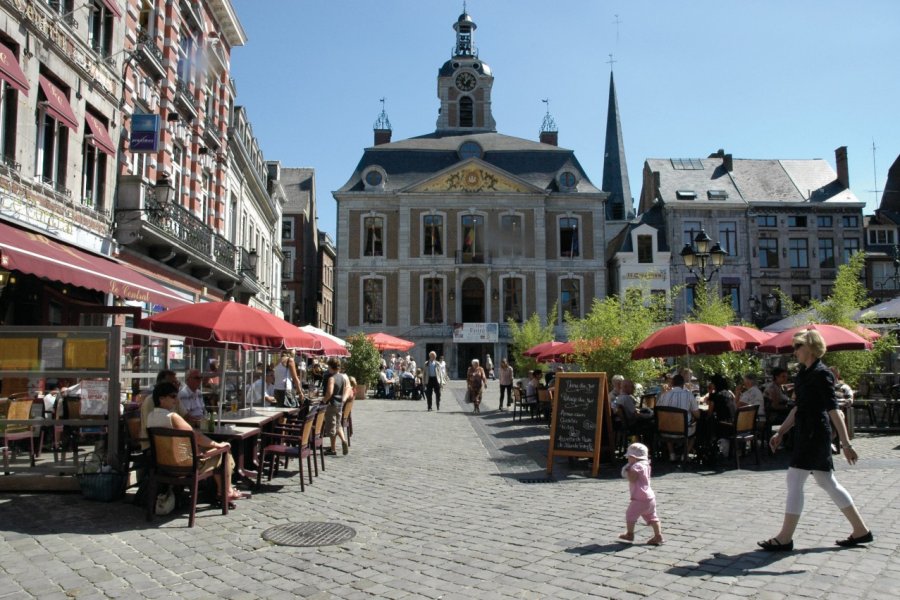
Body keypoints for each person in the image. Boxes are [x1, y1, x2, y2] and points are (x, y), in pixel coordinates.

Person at [758, 330, 873, 552]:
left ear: (809, 347)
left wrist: (847, 444)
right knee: (826, 481)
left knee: (794, 479)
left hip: (815, 434)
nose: (794, 351)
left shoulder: (822, 374)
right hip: (806, 432)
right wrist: (781, 432)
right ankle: (861, 530)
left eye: (797, 346)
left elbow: (834, 410)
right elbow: (799, 408)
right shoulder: (802, 374)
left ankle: (785, 537)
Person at [147, 381, 241, 505]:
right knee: (225, 452)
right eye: (173, 396)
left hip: (162, 464)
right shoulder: (172, 417)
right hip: (186, 465)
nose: (176, 400)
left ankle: (222, 490)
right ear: (161, 398)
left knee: (216, 451)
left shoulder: (151, 417)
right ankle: (226, 491)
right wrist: (217, 445)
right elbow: (196, 436)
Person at [618, 443, 664, 546]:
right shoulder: (646, 464)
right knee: (652, 516)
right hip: (650, 497)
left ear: (633, 457)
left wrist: (628, 469)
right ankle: (658, 535)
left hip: (639, 498)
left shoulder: (636, 466)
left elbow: (633, 479)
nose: (628, 460)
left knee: (630, 514)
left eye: (629, 457)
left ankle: (630, 534)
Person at [656, 373, 700, 461]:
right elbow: (697, 415)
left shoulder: (664, 395)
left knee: (668, 422)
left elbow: (657, 410)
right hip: (683, 431)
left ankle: (672, 453)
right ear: (683, 384)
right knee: (696, 431)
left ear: (672, 383)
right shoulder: (688, 395)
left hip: (665, 431)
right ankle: (685, 453)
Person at [321, 358, 351, 455]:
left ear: (330, 367)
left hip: (331, 404)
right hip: (339, 404)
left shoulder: (331, 378)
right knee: (338, 424)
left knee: (331, 426)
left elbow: (329, 392)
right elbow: (343, 390)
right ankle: (343, 440)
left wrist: (324, 401)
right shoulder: (342, 377)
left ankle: (333, 449)